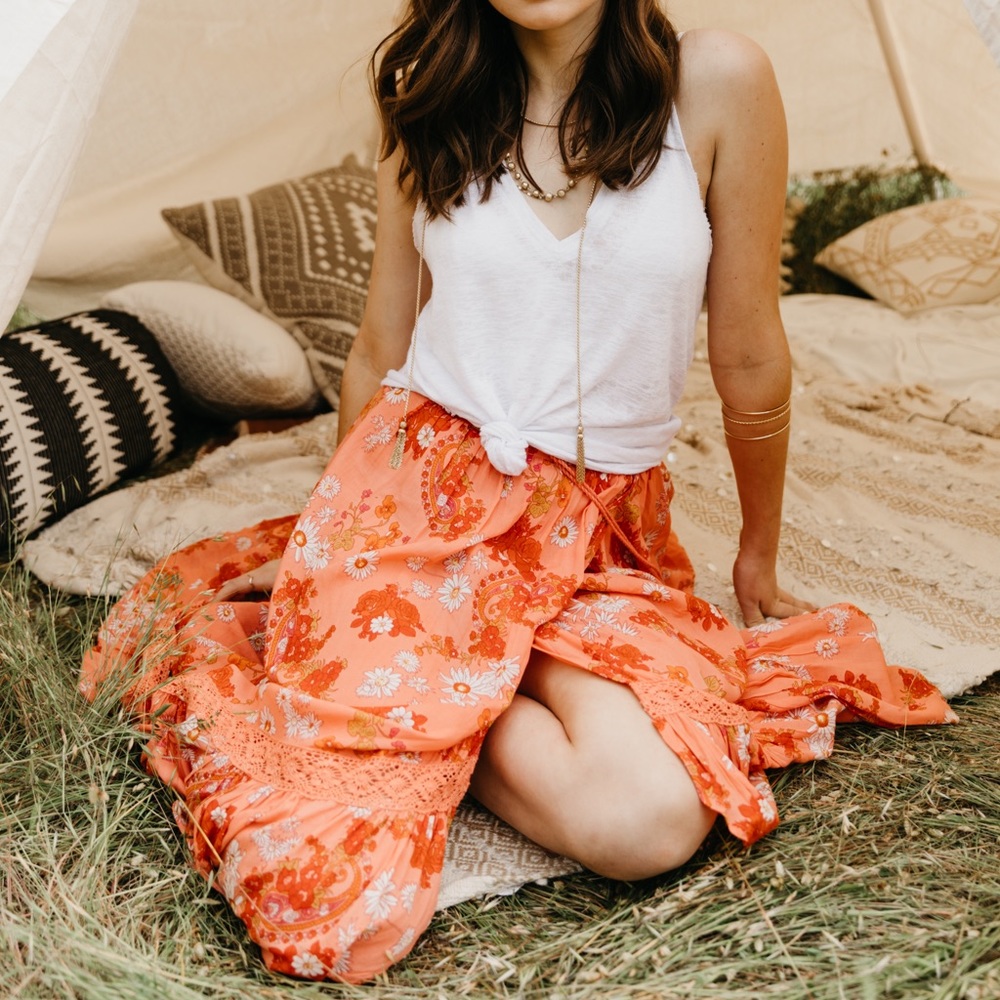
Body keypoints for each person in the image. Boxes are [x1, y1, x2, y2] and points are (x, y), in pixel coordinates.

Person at [82, 0, 955, 984]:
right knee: (317, 875)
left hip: (603, 533)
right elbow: (382, 343)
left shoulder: (717, 82)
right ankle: (427, 683)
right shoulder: (427, 97)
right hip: (417, 510)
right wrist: (330, 533)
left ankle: (437, 702)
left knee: (647, 818)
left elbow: (750, 351)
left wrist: (757, 552)